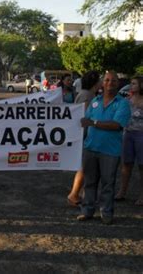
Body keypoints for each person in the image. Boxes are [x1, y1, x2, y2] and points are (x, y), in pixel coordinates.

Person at [77, 71, 131, 224]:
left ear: (118, 83)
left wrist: (93, 123)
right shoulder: (95, 101)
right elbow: (84, 121)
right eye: (107, 80)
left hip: (110, 151)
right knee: (89, 182)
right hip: (90, 147)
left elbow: (116, 125)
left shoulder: (122, 103)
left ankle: (106, 213)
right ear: (102, 83)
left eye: (113, 80)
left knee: (108, 183)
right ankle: (87, 211)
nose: (110, 83)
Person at [67, 70, 101, 206]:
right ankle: (74, 194)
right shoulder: (87, 96)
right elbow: (85, 117)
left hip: (85, 135)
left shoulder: (87, 94)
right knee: (84, 167)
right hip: (85, 136)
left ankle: (79, 193)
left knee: (85, 167)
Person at [115, 76, 143, 205]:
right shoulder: (127, 99)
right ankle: (122, 191)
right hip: (128, 133)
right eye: (131, 83)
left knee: (141, 166)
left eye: (134, 83)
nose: (131, 86)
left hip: (141, 134)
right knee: (126, 164)